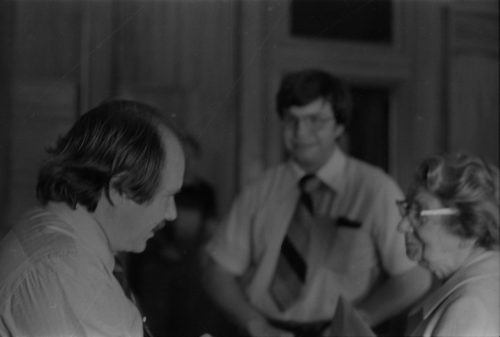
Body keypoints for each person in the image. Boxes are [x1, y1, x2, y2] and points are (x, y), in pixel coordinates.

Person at [203, 69, 432, 337]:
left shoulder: (375, 189)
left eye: (315, 120)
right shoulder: (259, 190)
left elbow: (414, 278)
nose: (301, 132)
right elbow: (217, 271)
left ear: (339, 126)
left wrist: (357, 321)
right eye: (291, 120)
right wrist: (257, 326)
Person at [0, 99, 185, 337]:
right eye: (167, 196)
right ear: (119, 189)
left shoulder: (62, 246)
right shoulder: (63, 271)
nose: (172, 213)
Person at [398, 153, 499, 337]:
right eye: (407, 209)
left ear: (468, 228)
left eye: (419, 213)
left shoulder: (470, 310)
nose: (402, 225)